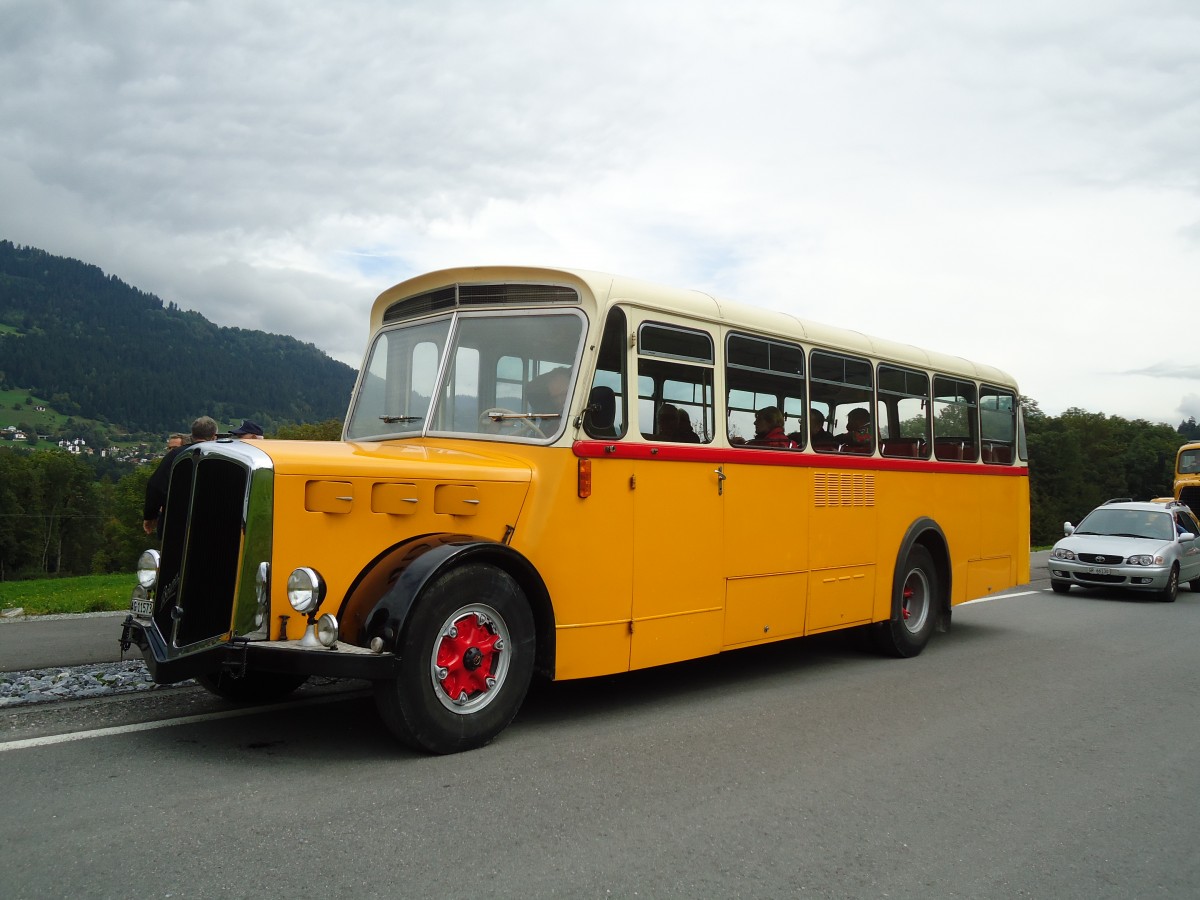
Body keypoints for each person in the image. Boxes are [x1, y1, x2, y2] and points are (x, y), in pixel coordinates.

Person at [142, 416, 218, 536]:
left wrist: (150, 516)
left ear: (192, 435)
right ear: (214, 436)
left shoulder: (177, 455)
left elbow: (156, 485)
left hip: (176, 520)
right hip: (212, 522)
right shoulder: (221, 456)